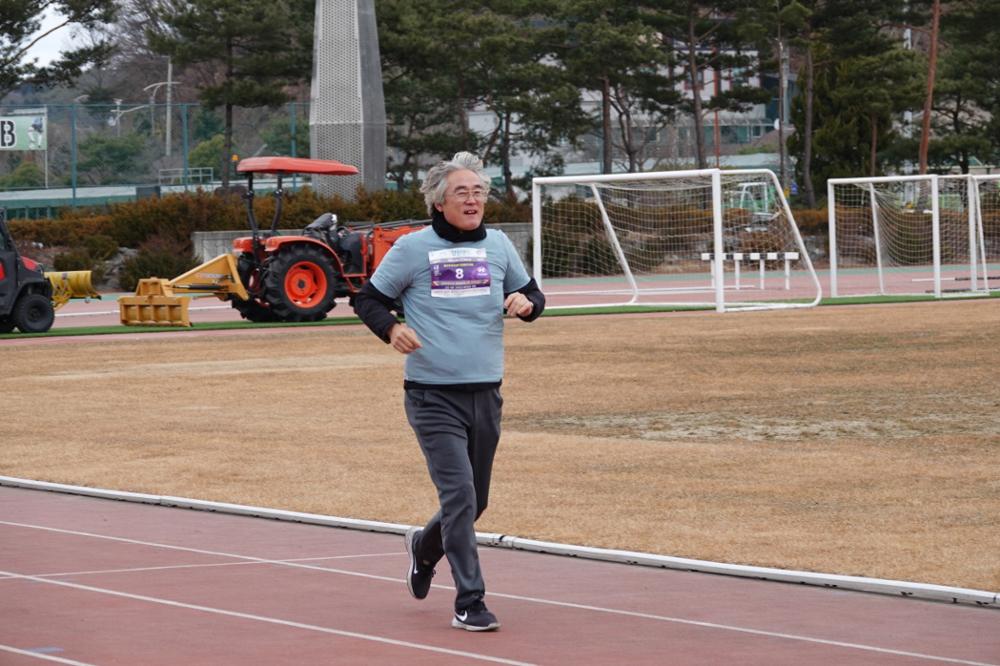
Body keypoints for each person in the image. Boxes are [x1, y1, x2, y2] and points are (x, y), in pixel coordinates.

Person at [353, 152, 545, 632]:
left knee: (475, 501)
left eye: (479, 192)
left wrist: (526, 303)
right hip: (432, 395)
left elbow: (533, 294)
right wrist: (391, 328)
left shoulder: (499, 245)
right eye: (462, 192)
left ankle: (424, 546)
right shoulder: (412, 249)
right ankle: (470, 601)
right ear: (439, 203)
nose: (473, 199)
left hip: (486, 393)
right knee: (459, 494)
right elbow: (368, 299)